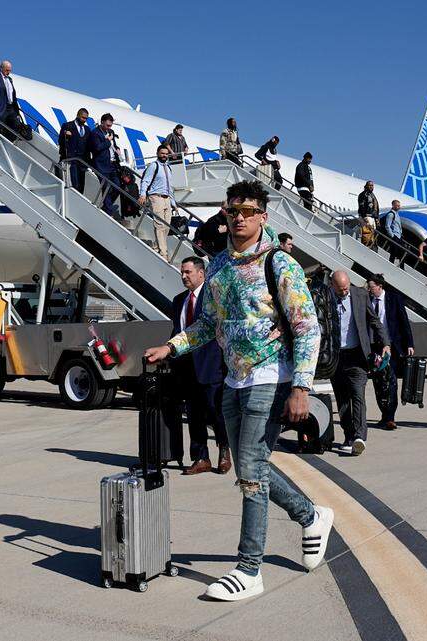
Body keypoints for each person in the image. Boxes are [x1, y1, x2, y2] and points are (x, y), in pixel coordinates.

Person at [145, 179, 333, 602]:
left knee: (249, 468)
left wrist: (301, 386)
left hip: (271, 377)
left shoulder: (280, 264)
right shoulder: (218, 267)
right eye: (233, 212)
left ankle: (250, 568)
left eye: (248, 211)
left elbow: (306, 327)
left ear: (263, 216)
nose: (240, 218)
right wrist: (171, 346)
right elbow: (208, 324)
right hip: (234, 381)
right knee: (256, 467)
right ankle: (311, 516)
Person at [168, 257, 231, 476]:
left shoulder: (213, 297)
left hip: (211, 365)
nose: (184, 276)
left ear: (201, 273)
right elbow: (178, 332)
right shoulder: (178, 301)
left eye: (188, 272)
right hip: (187, 367)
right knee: (194, 415)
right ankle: (200, 457)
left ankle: (224, 450)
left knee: (216, 412)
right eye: (182, 273)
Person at [328, 270, 390, 455]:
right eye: (340, 290)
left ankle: (359, 436)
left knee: (357, 394)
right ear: (332, 285)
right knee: (342, 398)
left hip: (357, 355)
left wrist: (385, 343)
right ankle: (348, 435)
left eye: (346, 288)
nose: (344, 292)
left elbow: (374, 321)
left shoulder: (360, 295)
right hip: (336, 356)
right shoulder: (324, 296)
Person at [365, 274, 414, 430]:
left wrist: (409, 344)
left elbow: (403, 321)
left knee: (391, 381)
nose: (370, 290)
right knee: (378, 382)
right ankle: (384, 415)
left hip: (392, 346)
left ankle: (390, 417)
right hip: (374, 347)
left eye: (371, 287)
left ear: (380, 286)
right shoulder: (367, 300)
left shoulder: (394, 299)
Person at [138, 145, 176, 256]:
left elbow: (170, 187)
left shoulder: (168, 168)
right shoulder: (153, 166)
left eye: (166, 153)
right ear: (158, 153)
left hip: (167, 198)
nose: (164, 155)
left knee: (167, 226)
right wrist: (142, 195)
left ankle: (156, 246)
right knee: (159, 225)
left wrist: (173, 202)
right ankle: (163, 253)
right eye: (162, 153)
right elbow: (145, 181)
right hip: (156, 197)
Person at [87, 113, 122, 218]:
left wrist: (117, 149)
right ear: (102, 122)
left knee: (117, 186)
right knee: (106, 186)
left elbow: (113, 145)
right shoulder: (95, 133)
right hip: (101, 165)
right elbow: (97, 148)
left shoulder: (111, 132)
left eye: (110, 125)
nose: (109, 127)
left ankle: (106, 206)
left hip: (112, 164)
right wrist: (108, 141)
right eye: (107, 125)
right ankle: (108, 211)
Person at [0, 60, 25, 139]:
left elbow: (12, 95)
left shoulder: (10, 79)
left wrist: (16, 110)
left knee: (16, 124)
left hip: (11, 108)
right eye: (7, 70)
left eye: (10, 70)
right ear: (2, 68)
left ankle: (10, 140)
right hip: (0, 107)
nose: (8, 72)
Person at [58, 108, 91, 193]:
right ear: (78, 116)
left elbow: (88, 146)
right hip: (72, 160)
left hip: (82, 161)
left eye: (86, 118)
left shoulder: (87, 129)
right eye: (83, 118)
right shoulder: (68, 126)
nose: (84, 120)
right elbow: (61, 141)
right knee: (74, 184)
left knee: (81, 186)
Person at [380, 200, 406, 267]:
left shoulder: (397, 214)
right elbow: (387, 226)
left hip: (399, 236)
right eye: (397, 205)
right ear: (393, 205)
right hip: (394, 236)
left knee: (402, 251)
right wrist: (392, 236)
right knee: (393, 252)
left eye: (399, 205)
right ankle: (391, 264)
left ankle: (402, 267)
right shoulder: (391, 214)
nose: (398, 207)